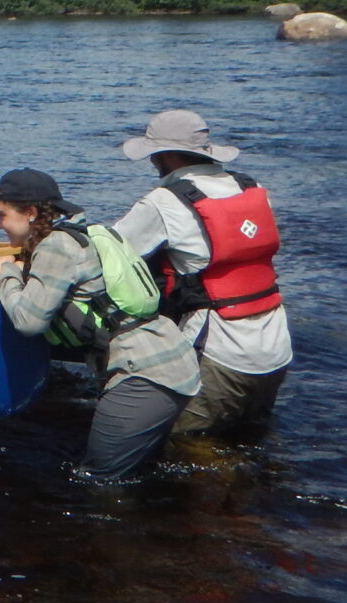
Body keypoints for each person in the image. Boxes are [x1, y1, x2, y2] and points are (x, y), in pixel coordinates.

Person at [0, 168, 201, 482]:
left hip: (143, 376)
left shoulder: (56, 246)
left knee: (99, 482)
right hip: (170, 361)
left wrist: (7, 273)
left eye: (2, 215)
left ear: (30, 212)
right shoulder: (82, 233)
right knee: (145, 475)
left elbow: (28, 321)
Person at [111, 110, 291, 438]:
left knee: (189, 444)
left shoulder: (164, 201)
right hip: (276, 346)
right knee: (253, 440)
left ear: (163, 156)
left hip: (220, 354)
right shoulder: (250, 187)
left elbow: (110, 253)